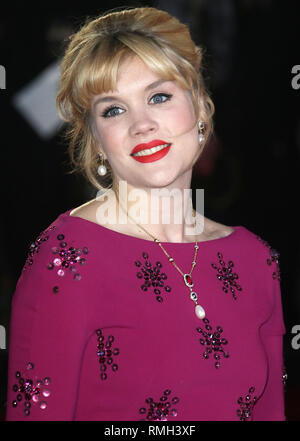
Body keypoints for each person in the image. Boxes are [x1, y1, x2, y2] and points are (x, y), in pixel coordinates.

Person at [6, 7, 286, 421]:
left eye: (159, 96)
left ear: (201, 108)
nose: (142, 124)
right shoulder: (66, 259)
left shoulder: (256, 259)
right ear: (96, 140)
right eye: (113, 110)